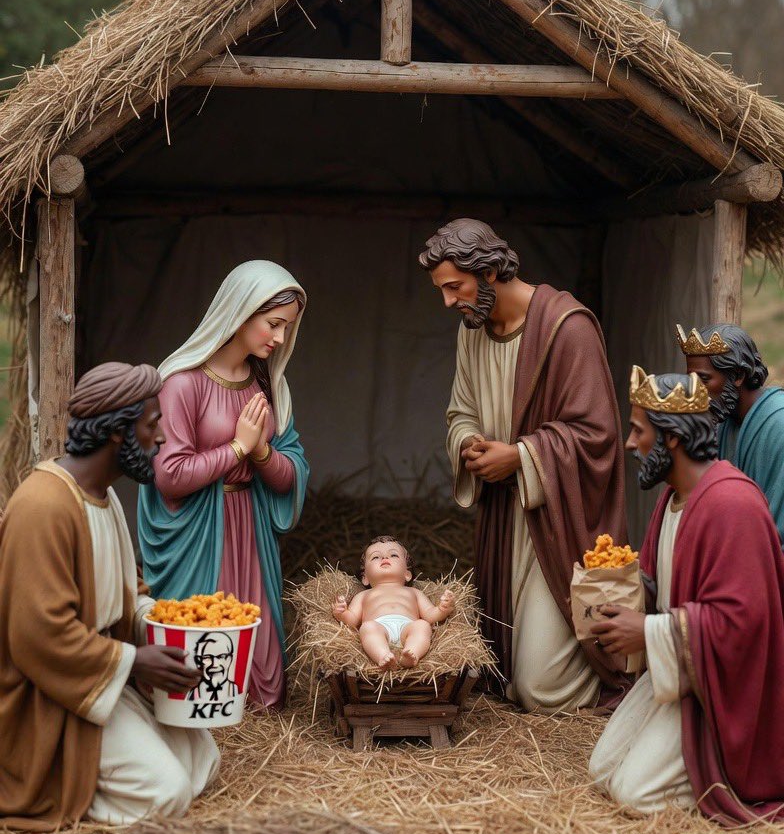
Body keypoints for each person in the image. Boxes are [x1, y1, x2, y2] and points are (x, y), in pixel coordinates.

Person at [0, 362, 219, 831]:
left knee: (203, 758)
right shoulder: (44, 506)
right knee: (168, 793)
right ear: (119, 431)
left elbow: (126, 593)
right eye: (152, 424)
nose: (160, 438)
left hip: (100, 673)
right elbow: (39, 635)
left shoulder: (104, 496)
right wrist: (136, 663)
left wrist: (162, 622)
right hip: (52, 694)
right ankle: (68, 784)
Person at [419, 219, 627, 711]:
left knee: (539, 688)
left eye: (455, 287)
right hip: (504, 518)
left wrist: (521, 455)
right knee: (500, 669)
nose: (448, 301)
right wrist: (470, 443)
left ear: (489, 271)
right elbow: (460, 410)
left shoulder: (566, 327)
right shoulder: (472, 331)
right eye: (442, 290)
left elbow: (598, 434)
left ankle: (606, 673)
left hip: (557, 520)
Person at [589, 366, 784, 824]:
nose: (630, 444)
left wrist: (649, 630)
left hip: (723, 691)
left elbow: (744, 623)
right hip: (683, 668)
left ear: (671, 437)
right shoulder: (673, 498)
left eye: (638, 431)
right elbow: (666, 589)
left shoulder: (731, 505)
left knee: (635, 795)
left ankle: (725, 774)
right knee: (602, 772)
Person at [138, 260, 309, 709]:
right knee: (204, 638)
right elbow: (170, 476)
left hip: (249, 529)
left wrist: (260, 453)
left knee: (262, 658)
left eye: (287, 328)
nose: (279, 338)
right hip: (198, 535)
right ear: (241, 312)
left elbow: (293, 471)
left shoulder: (268, 387)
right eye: (273, 324)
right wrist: (235, 449)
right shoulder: (181, 384)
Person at [678, 322, 784, 543]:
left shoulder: (779, 425)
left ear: (738, 375)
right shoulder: (724, 421)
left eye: (704, 380)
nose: (694, 392)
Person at [332, 537, 455, 668]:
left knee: (422, 625)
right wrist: (342, 613)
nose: (385, 557)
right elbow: (353, 620)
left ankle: (412, 653)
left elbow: (430, 615)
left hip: (407, 628)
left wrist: (442, 609)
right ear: (365, 577)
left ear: (407, 574)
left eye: (393, 555)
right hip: (379, 627)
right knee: (367, 627)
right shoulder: (363, 595)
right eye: (375, 557)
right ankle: (383, 656)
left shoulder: (413, 592)